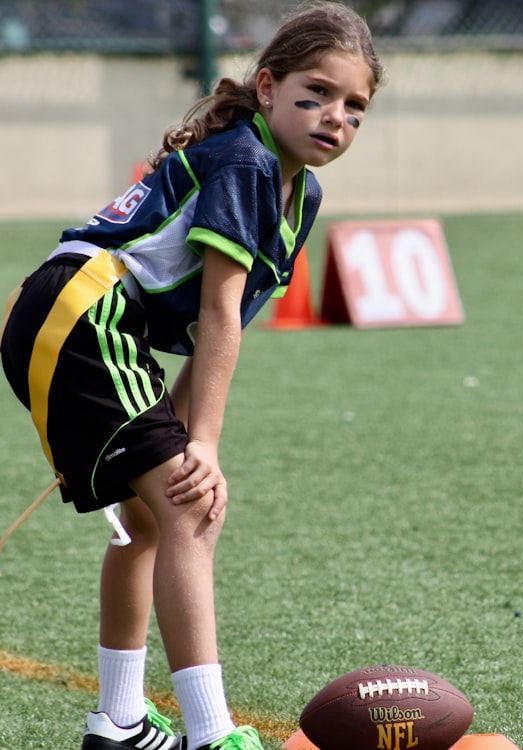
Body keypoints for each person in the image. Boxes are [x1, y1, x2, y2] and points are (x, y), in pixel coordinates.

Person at [0, 3, 384, 749]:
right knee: (191, 511)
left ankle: (119, 723)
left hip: (82, 320)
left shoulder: (300, 193)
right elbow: (216, 315)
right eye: (316, 93)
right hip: (81, 312)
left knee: (151, 518)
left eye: (355, 107)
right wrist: (200, 443)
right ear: (267, 88)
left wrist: (182, 434)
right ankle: (212, 735)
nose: (334, 116)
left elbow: (218, 328)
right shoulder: (246, 161)